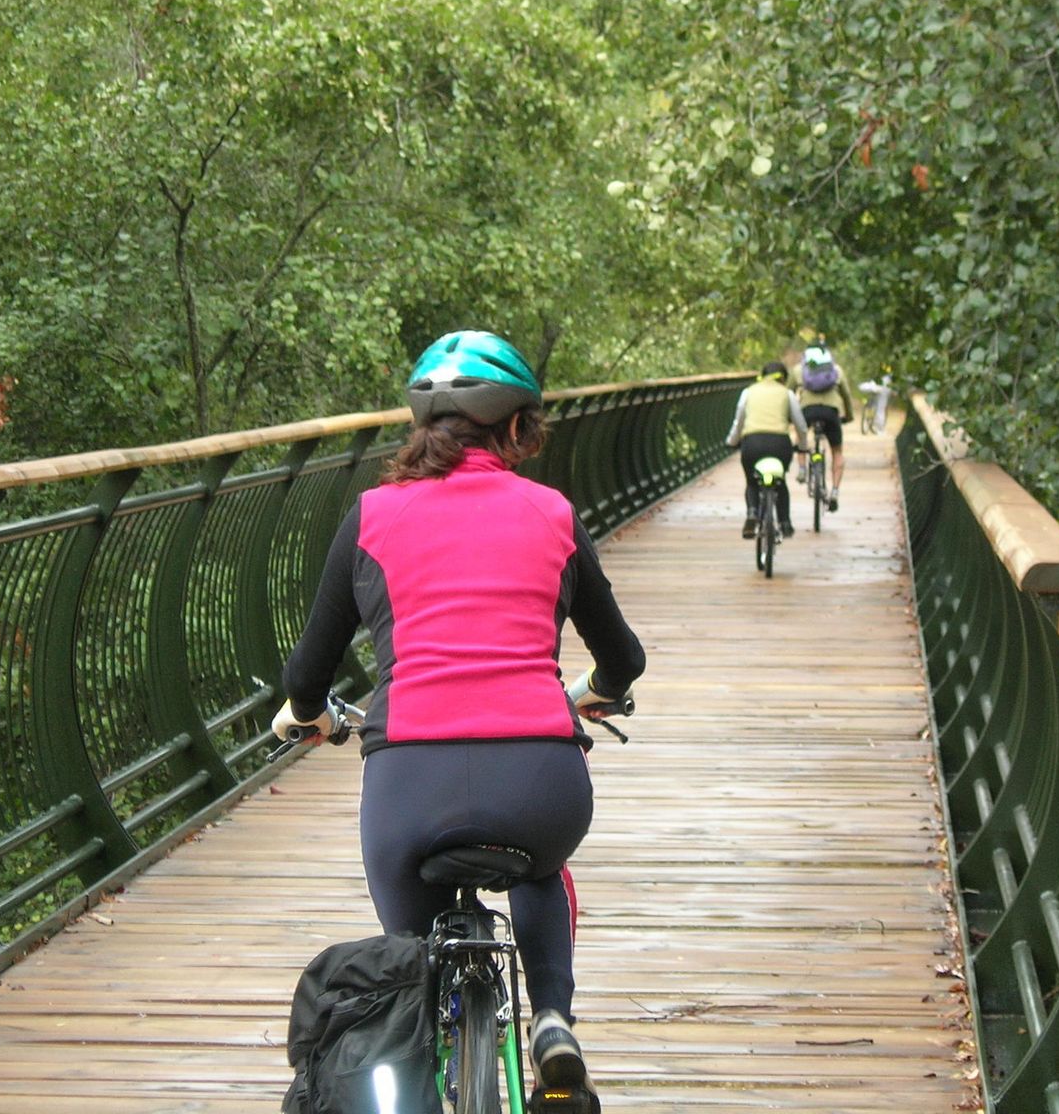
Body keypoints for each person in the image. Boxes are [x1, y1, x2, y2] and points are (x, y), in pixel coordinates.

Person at [275, 329, 644, 1110]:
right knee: (542, 868)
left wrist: (305, 714)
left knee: (410, 951)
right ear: (515, 428)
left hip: (409, 786)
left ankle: (418, 1049)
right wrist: (599, 688)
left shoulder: (371, 516)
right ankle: (551, 1019)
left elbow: (307, 672)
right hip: (539, 779)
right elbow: (624, 658)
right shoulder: (551, 513)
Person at [725, 360, 808, 539]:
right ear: (783, 379)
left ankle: (752, 513)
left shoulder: (749, 392)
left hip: (752, 443)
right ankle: (785, 522)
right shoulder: (787, 394)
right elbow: (801, 426)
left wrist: (732, 441)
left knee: (752, 481)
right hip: (780, 444)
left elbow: (739, 420)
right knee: (781, 482)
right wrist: (802, 446)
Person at [789, 339, 853, 510]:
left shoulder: (799, 370)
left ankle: (802, 469)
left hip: (807, 411)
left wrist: (789, 417)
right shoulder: (836, 370)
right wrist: (848, 416)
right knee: (837, 450)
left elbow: (788, 392)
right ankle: (835, 491)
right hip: (831, 413)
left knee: (801, 435)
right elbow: (846, 395)